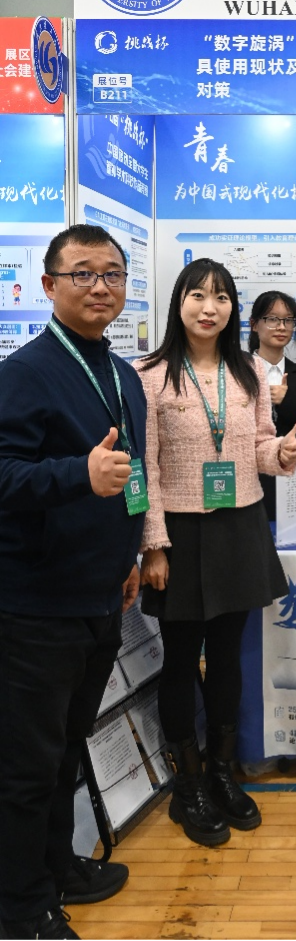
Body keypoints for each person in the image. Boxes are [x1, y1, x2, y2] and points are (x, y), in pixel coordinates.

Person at [0, 224, 145, 941]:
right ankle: (21, 910)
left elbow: (131, 475)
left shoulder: (121, 375)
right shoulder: (23, 373)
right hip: (36, 604)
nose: (99, 286)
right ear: (49, 284)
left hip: (100, 594)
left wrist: (129, 554)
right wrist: (76, 475)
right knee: (26, 768)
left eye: (112, 273)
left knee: (64, 751)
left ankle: (56, 869)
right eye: (82, 273)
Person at [136, 260, 296, 848]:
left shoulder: (250, 369)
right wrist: (154, 544)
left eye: (223, 297)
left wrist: (280, 454)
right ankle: (188, 785)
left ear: (234, 308)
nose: (211, 307)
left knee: (228, 656)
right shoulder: (149, 374)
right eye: (199, 295)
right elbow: (146, 467)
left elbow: (258, 445)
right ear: (178, 302)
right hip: (178, 533)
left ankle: (222, 772)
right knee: (181, 660)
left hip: (239, 526)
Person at [248, 290, 296, 521]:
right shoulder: (238, 371)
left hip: (293, 479)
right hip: (249, 477)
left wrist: (288, 401)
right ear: (254, 324)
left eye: (288, 320)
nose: (281, 327)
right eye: (272, 319)